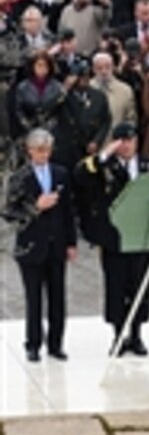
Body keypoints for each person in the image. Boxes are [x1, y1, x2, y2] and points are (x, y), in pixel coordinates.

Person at [74, 122, 149, 356]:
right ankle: (119, 335)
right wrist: (103, 155)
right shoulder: (104, 166)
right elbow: (80, 177)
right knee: (116, 286)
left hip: (142, 236)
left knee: (140, 285)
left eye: (131, 141)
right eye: (122, 141)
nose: (127, 146)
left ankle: (137, 334)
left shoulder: (148, 164)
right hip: (115, 237)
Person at [4, 129, 78, 362]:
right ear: (30, 151)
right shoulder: (20, 177)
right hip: (31, 245)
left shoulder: (60, 174)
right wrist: (36, 207)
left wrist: (71, 242)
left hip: (56, 244)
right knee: (33, 298)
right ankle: (33, 343)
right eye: (39, 150)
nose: (44, 155)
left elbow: (68, 211)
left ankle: (56, 343)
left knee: (58, 297)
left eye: (47, 150)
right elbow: (8, 211)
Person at [91, 51, 137, 145]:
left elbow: (131, 118)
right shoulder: (87, 89)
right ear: (93, 69)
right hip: (92, 144)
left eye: (107, 67)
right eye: (99, 68)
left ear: (113, 67)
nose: (104, 71)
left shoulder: (125, 90)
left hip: (117, 143)